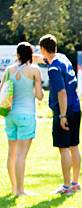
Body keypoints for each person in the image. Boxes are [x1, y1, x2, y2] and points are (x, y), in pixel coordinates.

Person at [38, 34, 82, 196]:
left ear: (43, 49)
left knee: (63, 149)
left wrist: (62, 116)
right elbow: (42, 58)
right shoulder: (63, 58)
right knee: (74, 146)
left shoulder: (54, 68)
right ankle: (75, 183)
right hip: (76, 107)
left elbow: (61, 92)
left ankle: (66, 186)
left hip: (64, 110)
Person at [4, 42, 43, 196]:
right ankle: (20, 190)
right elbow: (39, 96)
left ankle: (14, 188)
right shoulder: (34, 70)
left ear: (18, 54)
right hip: (26, 115)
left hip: (10, 115)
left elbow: (2, 91)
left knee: (11, 154)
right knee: (21, 155)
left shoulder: (8, 70)